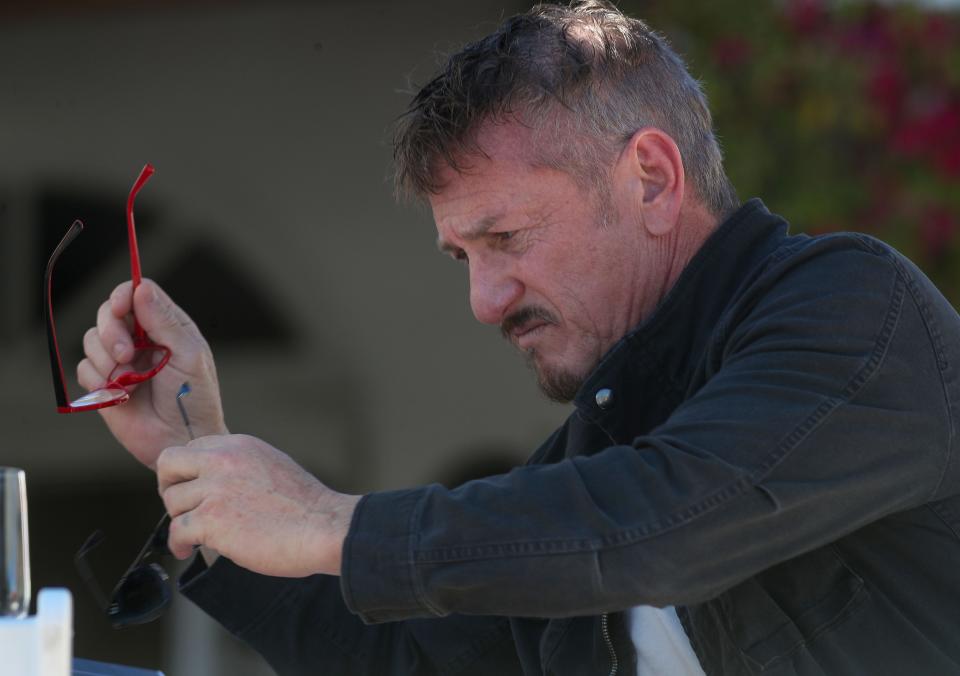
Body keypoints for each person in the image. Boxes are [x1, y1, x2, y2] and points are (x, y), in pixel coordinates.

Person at [79, 2, 960, 674]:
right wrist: (199, 454)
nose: (483, 298)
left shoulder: (854, 306)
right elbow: (402, 661)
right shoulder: (600, 455)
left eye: (505, 239)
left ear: (651, 179)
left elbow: (656, 525)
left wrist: (327, 521)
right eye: (461, 253)